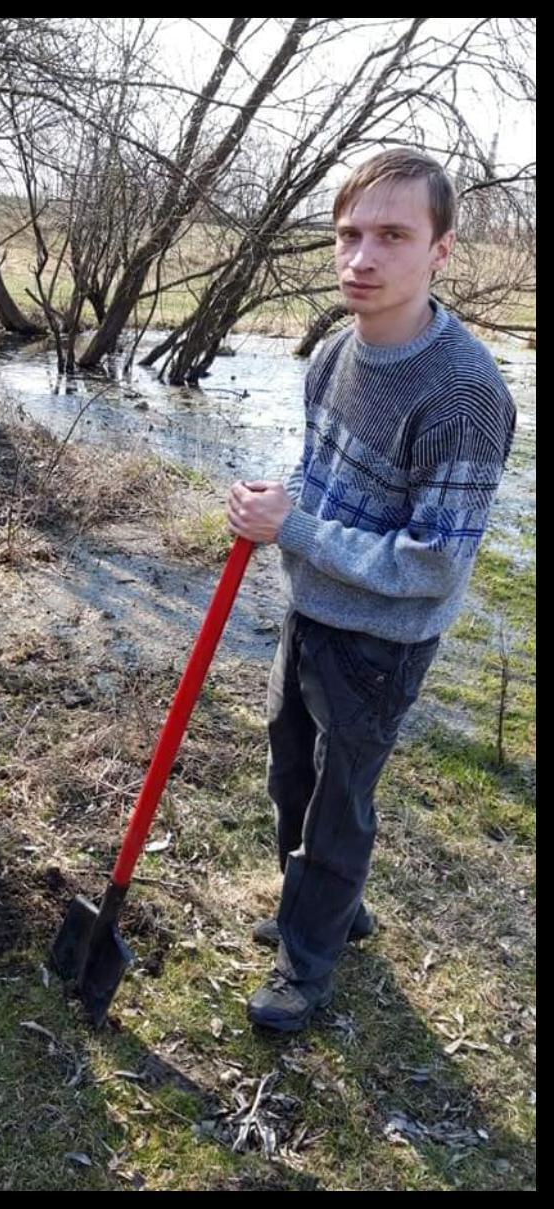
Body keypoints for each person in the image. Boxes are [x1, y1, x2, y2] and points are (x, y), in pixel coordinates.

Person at [226, 149, 516, 1033]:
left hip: (379, 642)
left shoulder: (464, 394)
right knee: (288, 774)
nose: (361, 257)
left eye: (392, 235)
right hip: (307, 612)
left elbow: (432, 561)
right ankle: (329, 906)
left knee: (337, 802)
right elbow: (319, 480)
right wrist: (268, 505)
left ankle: (304, 964)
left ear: (441, 251)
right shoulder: (334, 354)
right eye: (349, 233)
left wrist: (298, 531)